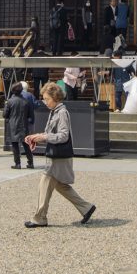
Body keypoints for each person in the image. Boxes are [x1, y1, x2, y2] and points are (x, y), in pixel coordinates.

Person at [23, 82, 96, 228]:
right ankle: (86, 208)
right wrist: (36, 136)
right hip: (58, 156)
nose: (45, 102)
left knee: (45, 183)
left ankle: (40, 218)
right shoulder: (55, 111)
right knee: (61, 185)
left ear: (55, 97)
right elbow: (53, 133)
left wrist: (43, 137)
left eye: (47, 99)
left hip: (58, 158)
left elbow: (63, 136)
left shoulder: (61, 112)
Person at [4, 83, 34, 169]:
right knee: (26, 145)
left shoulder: (10, 101)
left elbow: (5, 114)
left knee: (15, 145)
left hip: (13, 125)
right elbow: (30, 115)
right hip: (24, 125)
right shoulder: (26, 101)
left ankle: (17, 163)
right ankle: (30, 162)